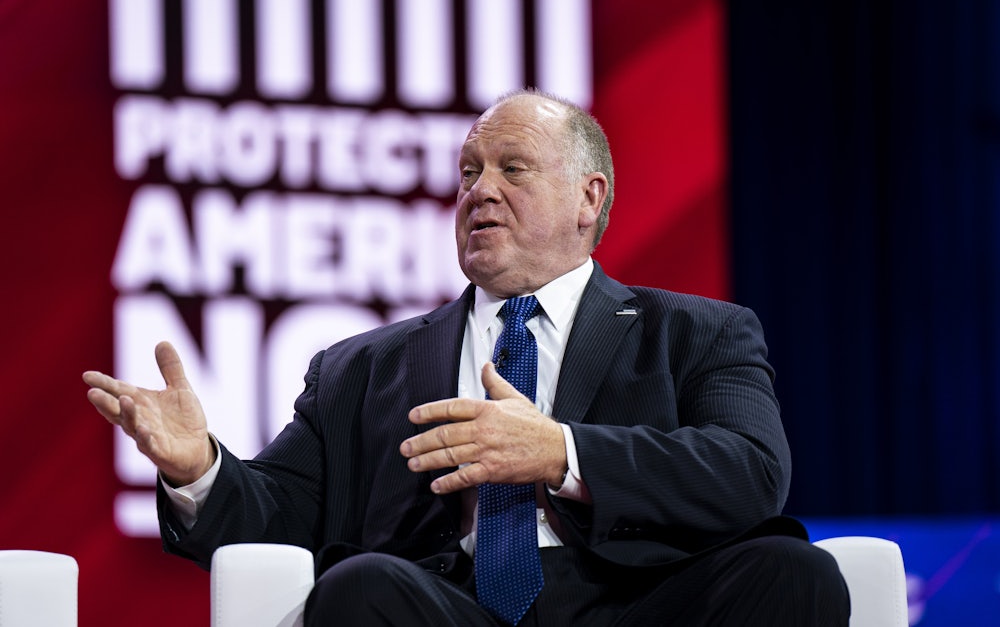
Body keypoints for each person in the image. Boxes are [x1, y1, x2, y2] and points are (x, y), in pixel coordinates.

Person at [84, 89, 849, 625]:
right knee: (359, 588)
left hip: (638, 601)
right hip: (447, 606)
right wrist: (198, 470)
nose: (480, 189)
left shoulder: (696, 331)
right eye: (469, 171)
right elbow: (277, 514)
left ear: (590, 197)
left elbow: (750, 473)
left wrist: (561, 451)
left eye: (512, 168)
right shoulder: (358, 368)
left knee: (795, 572)